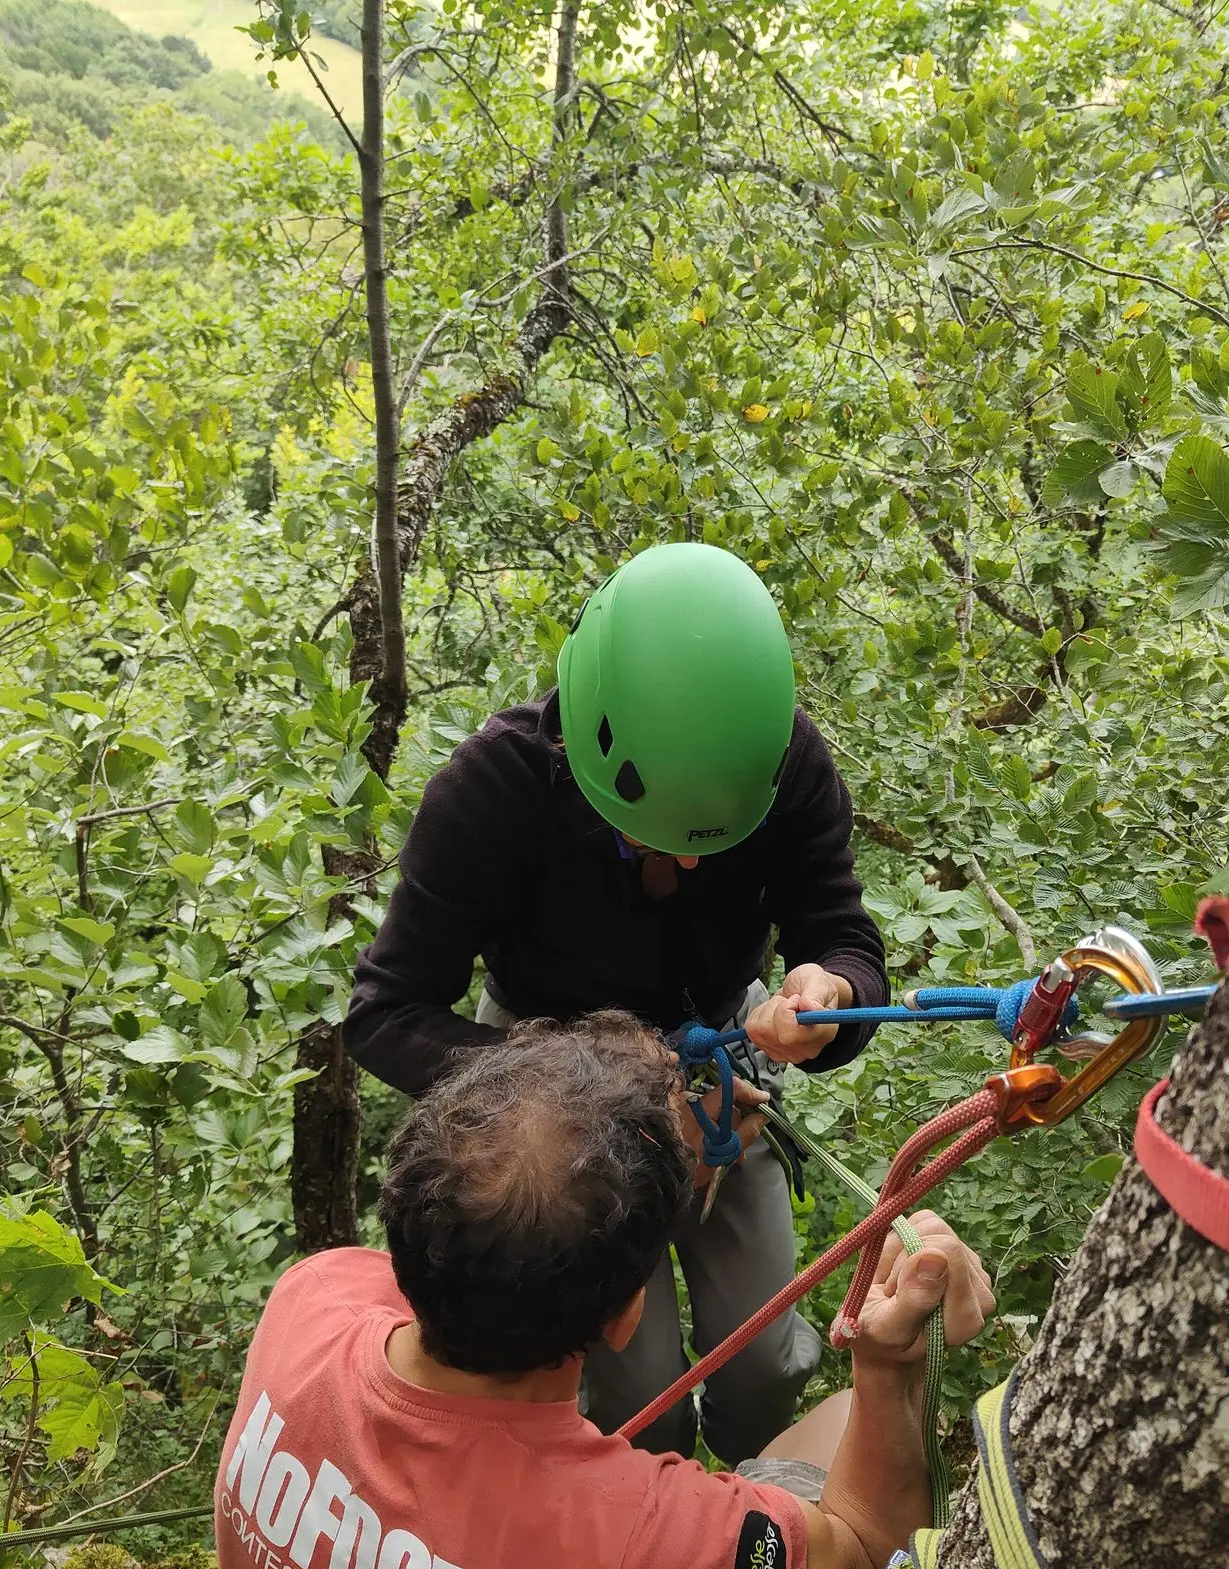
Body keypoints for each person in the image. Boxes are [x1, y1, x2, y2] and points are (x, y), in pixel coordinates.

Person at [217, 1014, 994, 1569]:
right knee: (811, 1458)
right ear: (628, 1315)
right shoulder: (655, 1552)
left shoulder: (309, 1306)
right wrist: (892, 1363)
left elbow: (495, 1230)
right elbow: (867, 1557)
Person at [343, 541, 888, 1463]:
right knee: (635, 1395)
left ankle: (758, 1513)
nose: (690, 868)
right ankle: (646, 1522)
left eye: (713, 841)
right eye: (658, 836)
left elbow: (840, 933)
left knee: (762, 1360)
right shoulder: (493, 792)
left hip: (724, 1059)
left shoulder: (779, 760)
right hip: (543, 1082)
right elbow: (384, 1015)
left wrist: (830, 992)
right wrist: (605, 1089)